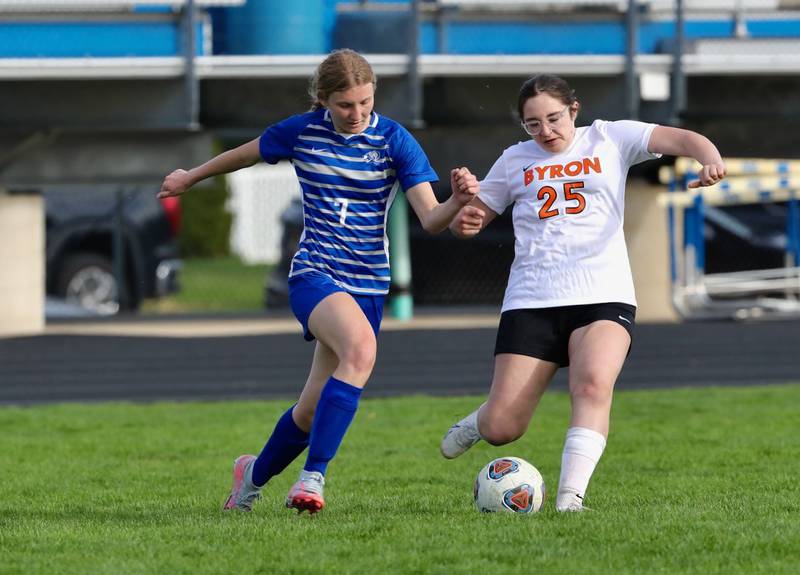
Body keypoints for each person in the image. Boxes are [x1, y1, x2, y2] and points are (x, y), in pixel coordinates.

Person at [158, 49, 479, 514]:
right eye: (346, 105)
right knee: (361, 352)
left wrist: (457, 200)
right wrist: (191, 176)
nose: (357, 114)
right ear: (323, 99)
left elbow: (431, 219)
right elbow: (243, 154)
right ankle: (313, 478)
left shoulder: (395, 140)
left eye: (366, 103)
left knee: (309, 412)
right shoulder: (301, 131)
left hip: (368, 284)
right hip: (315, 272)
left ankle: (248, 480)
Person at [440, 74, 725, 512]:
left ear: (574, 109)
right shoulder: (514, 159)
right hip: (533, 298)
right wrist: (466, 219)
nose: (546, 131)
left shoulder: (610, 137)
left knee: (592, 386)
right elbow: (473, 217)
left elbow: (687, 138)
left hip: (602, 293)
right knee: (503, 426)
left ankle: (570, 500)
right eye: (533, 124)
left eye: (554, 118)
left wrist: (710, 160)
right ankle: (479, 421)